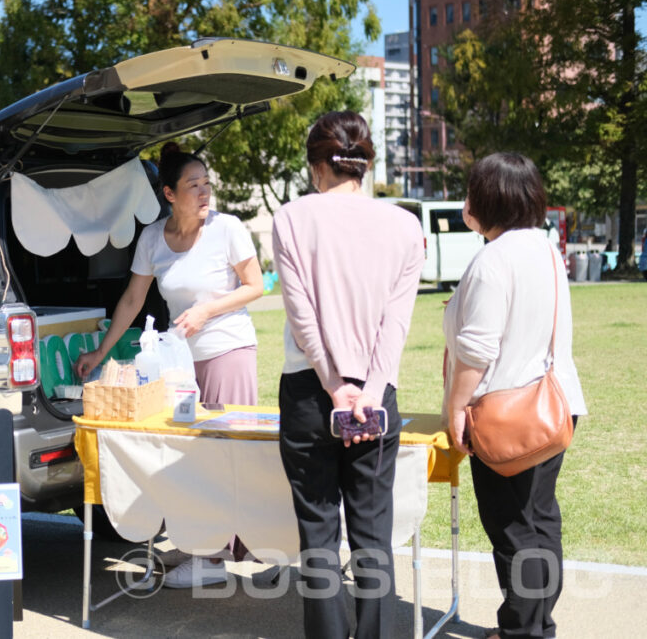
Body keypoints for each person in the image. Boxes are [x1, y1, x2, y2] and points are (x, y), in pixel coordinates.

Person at [75, 142, 264, 588]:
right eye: (192, 185)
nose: (204, 193)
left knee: (225, 455)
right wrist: (100, 354)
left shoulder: (227, 228)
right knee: (189, 457)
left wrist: (206, 311)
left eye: (206, 184)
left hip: (227, 353)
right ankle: (201, 542)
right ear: (169, 194)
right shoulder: (153, 239)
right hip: (180, 366)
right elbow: (133, 299)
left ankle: (215, 558)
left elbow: (255, 286)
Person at [271, 111, 424, 639]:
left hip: (312, 394)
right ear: (366, 163)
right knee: (372, 533)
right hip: (376, 396)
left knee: (318, 533)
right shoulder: (406, 224)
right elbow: (395, 324)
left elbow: (301, 314)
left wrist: (337, 387)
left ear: (318, 167)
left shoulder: (292, 217)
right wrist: (370, 391)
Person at [443, 153, 588, 639]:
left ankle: (524, 630)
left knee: (512, 530)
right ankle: (533, 623)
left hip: (506, 414)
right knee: (540, 521)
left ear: (486, 198)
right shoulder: (544, 248)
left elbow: (478, 350)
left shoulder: (492, 259)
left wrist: (455, 409)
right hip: (555, 403)